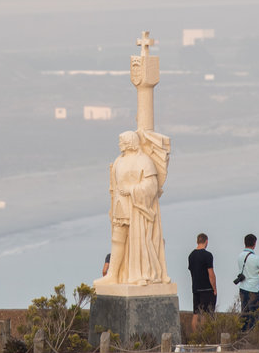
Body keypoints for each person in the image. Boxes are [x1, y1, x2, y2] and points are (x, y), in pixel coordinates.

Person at [93, 130, 171, 287]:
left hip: (136, 207)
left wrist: (132, 190)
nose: (119, 144)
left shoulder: (144, 161)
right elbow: (114, 185)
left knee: (138, 240)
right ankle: (113, 274)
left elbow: (152, 186)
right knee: (117, 237)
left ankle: (139, 273)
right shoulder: (118, 161)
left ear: (129, 142)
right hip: (120, 205)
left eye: (122, 141)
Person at [237, 234, 259, 332]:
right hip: (254, 289)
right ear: (254, 244)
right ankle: (251, 336)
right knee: (254, 316)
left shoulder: (240, 256)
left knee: (244, 314)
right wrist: (258, 274)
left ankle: (242, 335)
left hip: (243, 288)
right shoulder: (257, 258)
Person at [187, 233, 217, 334]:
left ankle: (195, 336)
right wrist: (214, 288)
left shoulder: (191, 255)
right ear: (206, 241)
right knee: (205, 314)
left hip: (195, 287)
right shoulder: (208, 255)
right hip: (206, 288)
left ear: (197, 241)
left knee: (195, 313)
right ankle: (204, 335)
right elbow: (211, 274)